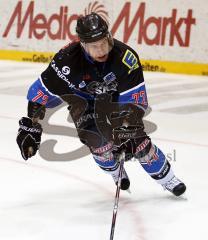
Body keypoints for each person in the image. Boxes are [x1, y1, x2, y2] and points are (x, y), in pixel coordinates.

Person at [16, 12, 186, 196]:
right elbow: (40, 92)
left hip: (117, 101)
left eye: (104, 42)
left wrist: (126, 127)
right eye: (94, 46)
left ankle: (168, 179)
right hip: (83, 103)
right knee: (97, 142)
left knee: (138, 143)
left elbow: (135, 101)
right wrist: (31, 126)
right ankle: (115, 173)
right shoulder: (66, 60)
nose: (102, 50)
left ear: (109, 36)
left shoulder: (125, 58)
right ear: (82, 45)